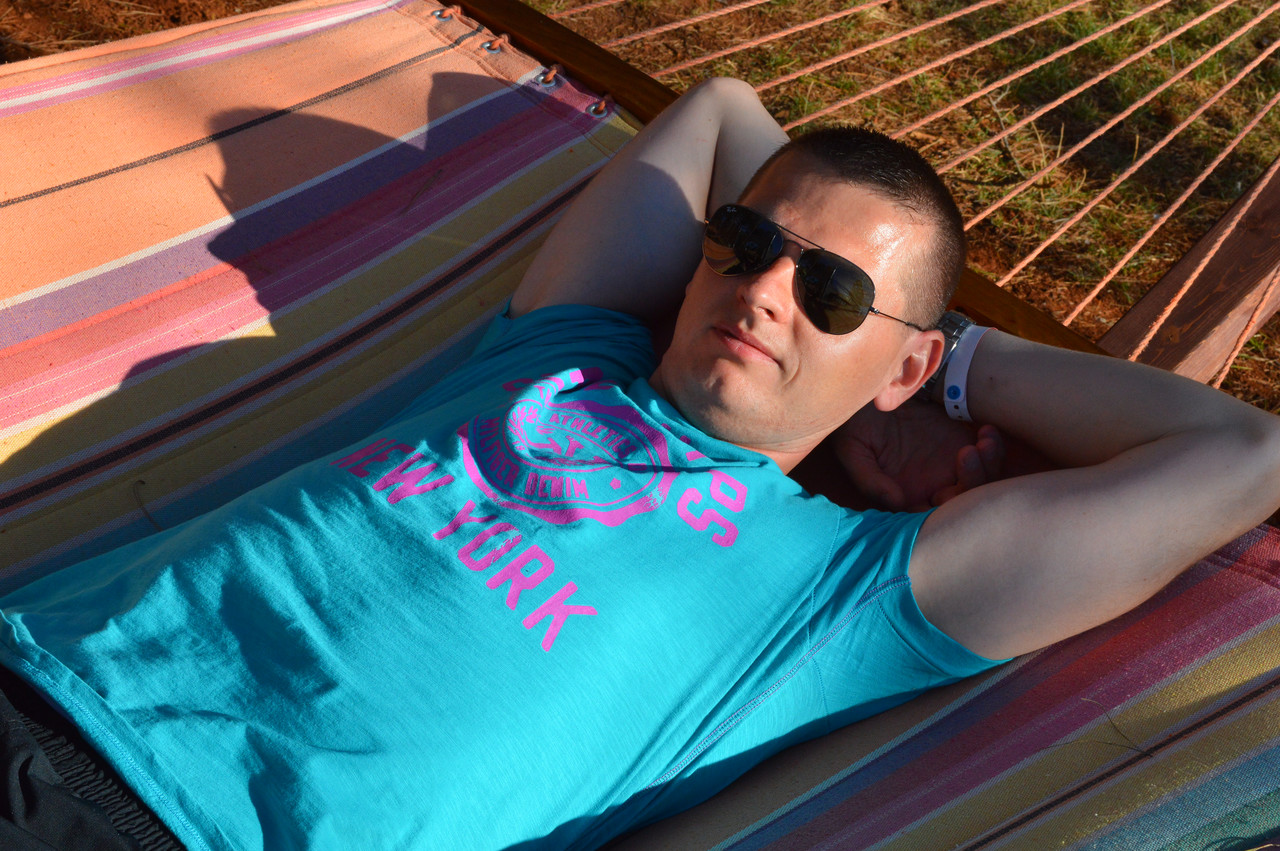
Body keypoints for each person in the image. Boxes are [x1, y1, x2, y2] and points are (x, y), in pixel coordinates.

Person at [0, 77, 1277, 851]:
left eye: (832, 292)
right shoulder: (561, 355)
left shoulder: (838, 595)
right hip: (34, 674)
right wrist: (866, 337)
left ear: (901, 361)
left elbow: (1237, 451)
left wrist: (948, 368)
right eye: (746, 242)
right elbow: (717, 112)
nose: (765, 288)